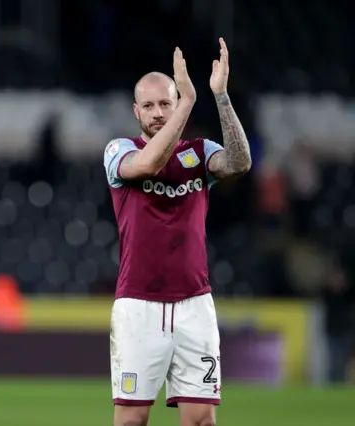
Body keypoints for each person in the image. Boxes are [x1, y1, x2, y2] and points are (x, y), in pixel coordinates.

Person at [104, 39, 251, 426]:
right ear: (136, 111)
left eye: (165, 103)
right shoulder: (119, 151)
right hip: (139, 305)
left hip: (194, 305)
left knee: (201, 419)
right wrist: (187, 102)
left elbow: (239, 163)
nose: (157, 113)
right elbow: (149, 166)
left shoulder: (199, 154)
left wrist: (219, 96)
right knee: (132, 419)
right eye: (149, 106)